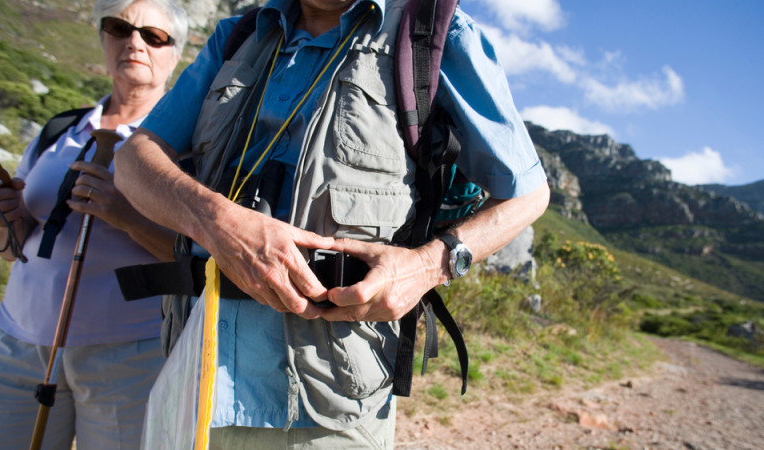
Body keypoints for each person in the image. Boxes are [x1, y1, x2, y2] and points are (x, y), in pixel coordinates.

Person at [115, 0, 550, 448]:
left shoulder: (434, 33)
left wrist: (427, 266)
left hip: (328, 404)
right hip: (192, 376)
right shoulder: (240, 33)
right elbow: (132, 158)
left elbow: (528, 194)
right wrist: (215, 221)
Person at [0, 0, 188, 448]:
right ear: (103, 38)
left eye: (153, 36)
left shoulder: (185, 144)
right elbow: (12, 246)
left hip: (128, 357)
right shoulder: (60, 130)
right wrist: (2, 214)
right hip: (14, 345)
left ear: (175, 54)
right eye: (119, 28)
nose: (134, 42)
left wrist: (126, 216)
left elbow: (194, 256)